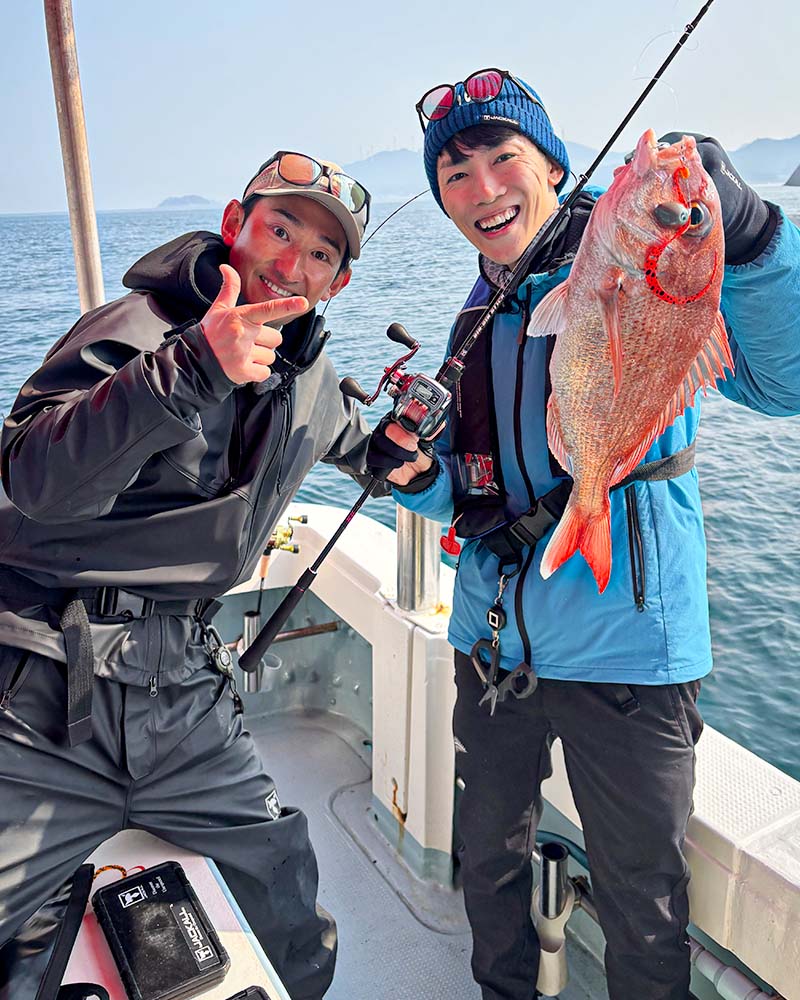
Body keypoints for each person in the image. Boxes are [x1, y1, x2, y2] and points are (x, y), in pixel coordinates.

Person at [373, 69, 800, 1000]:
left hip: (629, 650)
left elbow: (787, 382)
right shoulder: (475, 320)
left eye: (503, 158)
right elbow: (475, 495)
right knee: (487, 861)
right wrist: (413, 478)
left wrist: (755, 235)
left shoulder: (655, 260)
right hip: (491, 644)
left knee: (644, 903)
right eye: (454, 173)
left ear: (556, 168)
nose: (483, 189)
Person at [0, 150, 402, 999]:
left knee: (291, 918)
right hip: (41, 689)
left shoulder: (310, 376)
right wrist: (191, 369)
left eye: (320, 253)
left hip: (183, 694)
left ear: (337, 284)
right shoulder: (135, 328)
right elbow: (34, 478)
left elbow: (357, 443)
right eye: (279, 229)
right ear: (234, 226)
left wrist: (392, 453)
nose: (291, 262)